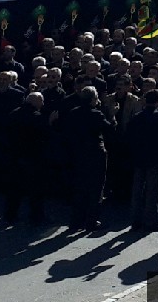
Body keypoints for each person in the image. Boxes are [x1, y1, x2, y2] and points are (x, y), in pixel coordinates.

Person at [125, 88, 158, 230]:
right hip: (155, 156)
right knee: (152, 191)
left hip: (139, 157)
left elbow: (128, 135)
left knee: (137, 190)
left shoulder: (137, 117)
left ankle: (135, 220)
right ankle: (150, 221)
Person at [63, 84, 112, 232]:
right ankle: (92, 221)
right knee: (96, 187)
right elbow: (109, 129)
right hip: (95, 152)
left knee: (79, 187)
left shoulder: (73, 113)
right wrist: (112, 115)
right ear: (93, 99)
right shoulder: (96, 114)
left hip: (78, 152)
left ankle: (76, 221)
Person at [2, 90, 51, 226]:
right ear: (36, 101)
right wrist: (50, 122)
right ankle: (37, 216)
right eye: (41, 101)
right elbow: (44, 135)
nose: (43, 104)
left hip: (15, 156)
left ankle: (10, 215)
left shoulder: (14, 113)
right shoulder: (36, 116)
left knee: (14, 188)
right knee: (36, 189)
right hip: (32, 157)